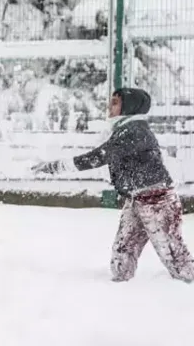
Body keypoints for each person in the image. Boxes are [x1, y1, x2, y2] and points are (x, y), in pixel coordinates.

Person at [31, 87, 194, 283]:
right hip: (137, 198)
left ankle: (188, 285)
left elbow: (98, 157)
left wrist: (55, 167)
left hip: (157, 201)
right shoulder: (124, 130)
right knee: (123, 250)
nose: (110, 106)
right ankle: (118, 290)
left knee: (173, 255)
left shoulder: (135, 132)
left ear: (129, 106)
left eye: (115, 102)